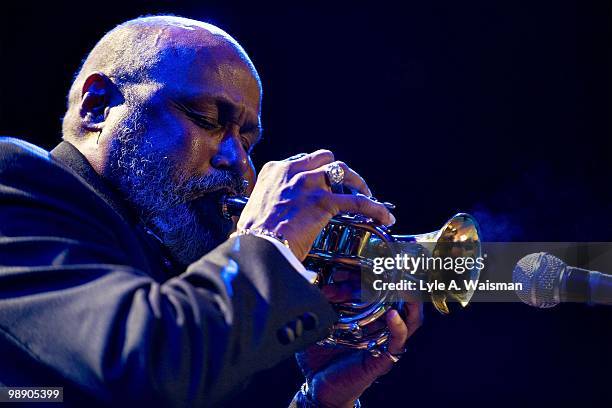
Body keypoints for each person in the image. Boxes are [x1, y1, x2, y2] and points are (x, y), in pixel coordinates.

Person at [0, 16, 422, 407]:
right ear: (97, 106)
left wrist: (318, 399)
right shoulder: (15, 182)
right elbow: (146, 367)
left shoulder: (171, 271)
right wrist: (270, 243)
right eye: (206, 119)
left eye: (248, 143)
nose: (239, 165)